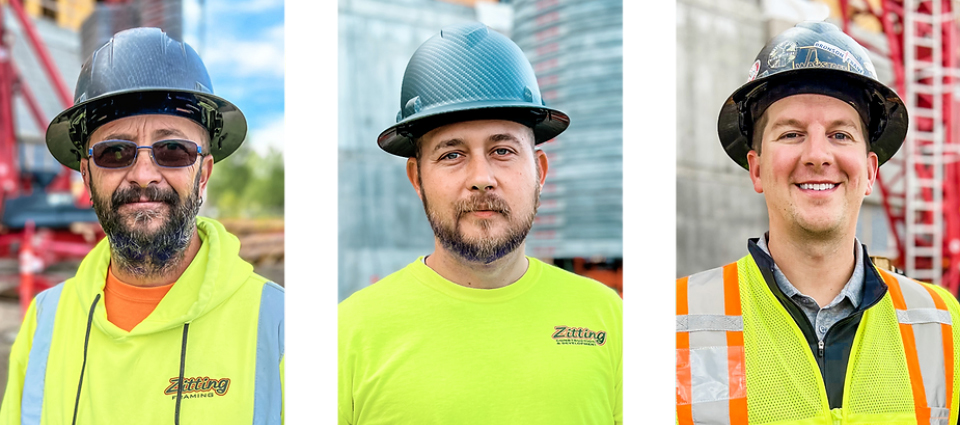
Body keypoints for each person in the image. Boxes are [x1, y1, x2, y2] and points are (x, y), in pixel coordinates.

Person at [338, 22, 622, 425]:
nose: (481, 176)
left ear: (539, 171)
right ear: (417, 178)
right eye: (452, 155)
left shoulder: (608, 319)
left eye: (503, 150)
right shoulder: (348, 334)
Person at [676, 21, 960, 424]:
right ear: (755, 170)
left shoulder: (942, 322)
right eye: (791, 134)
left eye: (840, 135)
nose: (817, 155)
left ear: (870, 170)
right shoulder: (675, 317)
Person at [0, 28, 284, 424]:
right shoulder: (43, 324)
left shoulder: (280, 327)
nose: (144, 174)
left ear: (203, 173)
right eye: (115, 152)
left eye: (173, 150)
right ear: (86, 173)